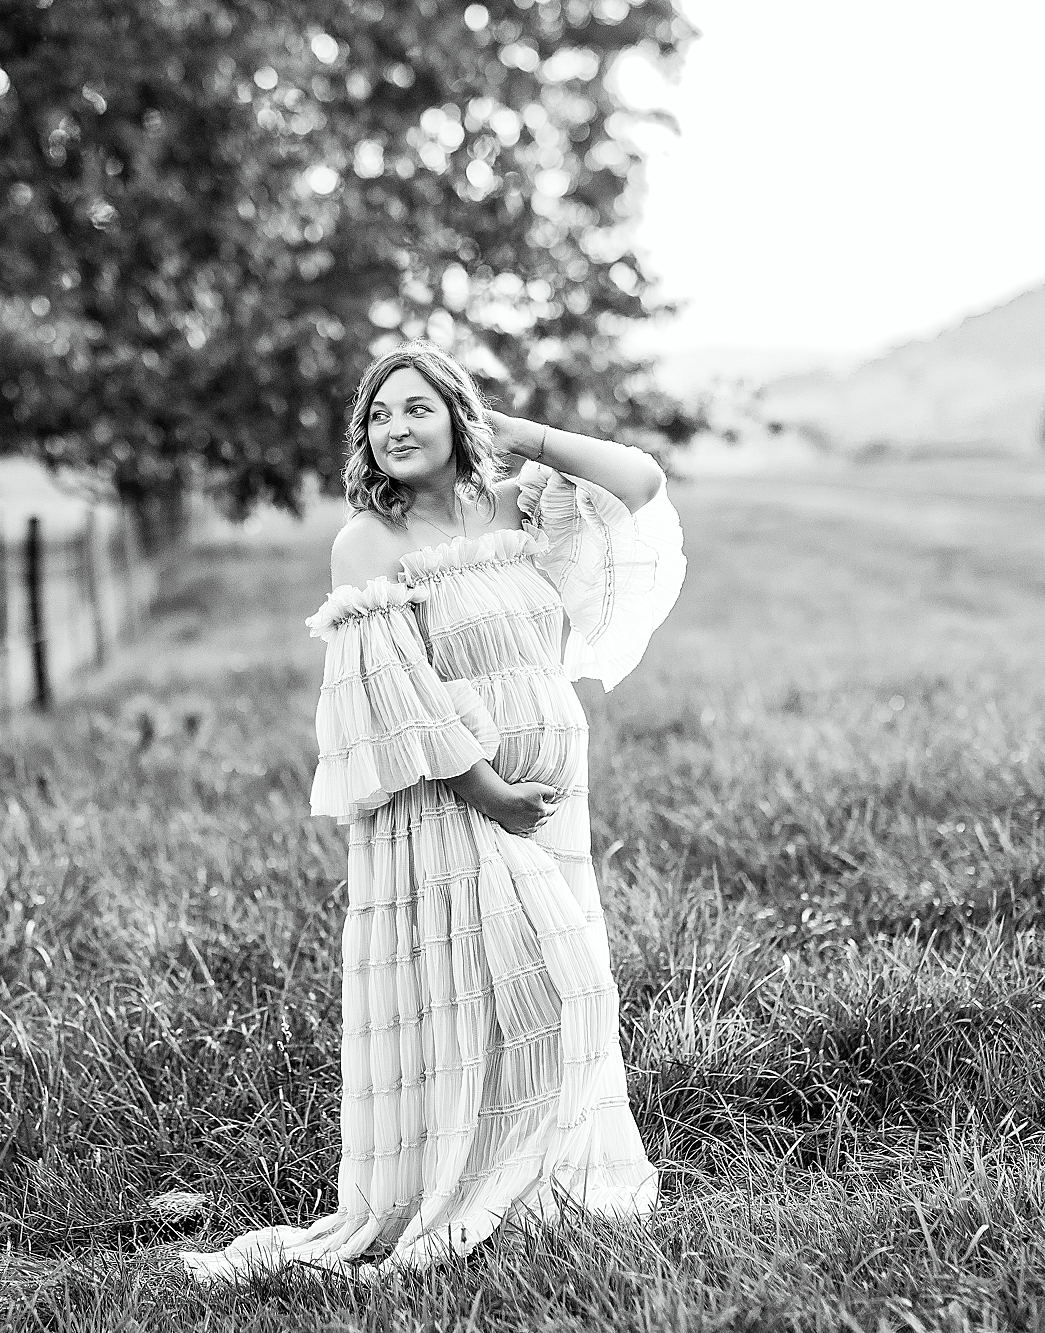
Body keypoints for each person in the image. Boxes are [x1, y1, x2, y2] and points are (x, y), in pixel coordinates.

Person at [178, 340, 686, 1283]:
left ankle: (539, 1191)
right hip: (452, 805)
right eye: (377, 414)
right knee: (552, 992)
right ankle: (463, 1190)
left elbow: (640, 480)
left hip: (550, 802)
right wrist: (487, 788)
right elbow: (392, 693)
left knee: (521, 997)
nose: (395, 428)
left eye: (416, 407)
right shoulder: (371, 538)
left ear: (458, 416)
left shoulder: (517, 504)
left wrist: (525, 434)